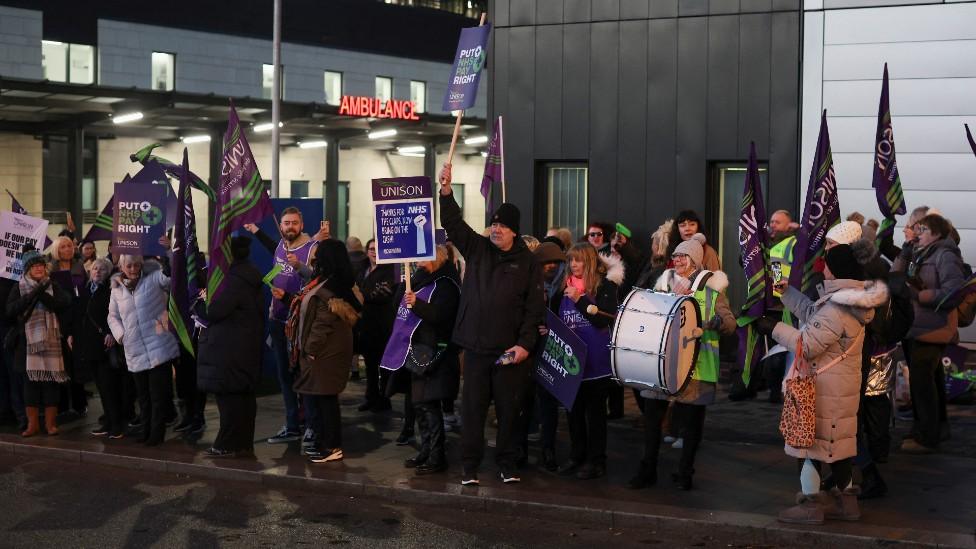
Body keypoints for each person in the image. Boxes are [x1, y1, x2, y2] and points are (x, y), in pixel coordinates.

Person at [754, 244, 888, 524]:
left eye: (826, 263)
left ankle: (810, 506)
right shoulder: (849, 300)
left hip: (824, 389)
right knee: (837, 447)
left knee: (807, 447)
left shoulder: (837, 306)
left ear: (836, 269)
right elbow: (814, 315)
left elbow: (807, 344)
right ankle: (847, 504)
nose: (822, 267)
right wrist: (786, 292)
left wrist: (773, 328)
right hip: (841, 387)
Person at [439, 163, 545, 486]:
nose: (495, 229)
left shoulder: (528, 263)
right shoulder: (478, 248)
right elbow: (454, 225)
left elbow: (534, 308)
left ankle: (507, 464)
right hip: (474, 347)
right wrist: (446, 191)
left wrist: (525, 345)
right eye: (493, 224)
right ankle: (469, 467)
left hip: (508, 352)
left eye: (502, 226)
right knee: (472, 411)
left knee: (509, 412)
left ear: (515, 231)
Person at [630, 234, 736, 490]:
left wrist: (709, 324)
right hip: (662, 363)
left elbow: (730, 324)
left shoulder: (712, 289)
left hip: (698, 365)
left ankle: (684, 472)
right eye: (675, 255)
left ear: (696, 261)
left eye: (683, 256)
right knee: (653, 418)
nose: (677, 260)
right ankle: (647, 469)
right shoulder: (662, 283)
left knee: (691, 424)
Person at [244, 209, 325, 445]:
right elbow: (274, 252)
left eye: (294, 223)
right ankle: (292, 425)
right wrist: (256, 230)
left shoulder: (311, 248)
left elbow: (318, 277)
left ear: (301, 224)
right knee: (284, 377)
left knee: (303, 376)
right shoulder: (281, 244)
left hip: (300, 321)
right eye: (286, 223)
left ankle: (311, 425)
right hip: (277, 320)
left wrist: (299, 265)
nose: (290, 227)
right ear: (280, 225)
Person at [891, 213, 965, 453]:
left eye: (922, 229)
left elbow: (953, 291)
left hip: (933, 327)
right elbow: (896, 275)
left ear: (937, 233)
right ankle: (930, 427)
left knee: (923, 382)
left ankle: (927, 436)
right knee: (929, 380)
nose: (917, 232)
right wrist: (905, 249)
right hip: (917, 326)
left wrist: (920, 295)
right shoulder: (920, 252)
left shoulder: (945, 255)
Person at [389, 245, 461, 475]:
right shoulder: (421, 279)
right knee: (418, 403)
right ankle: (425, 450)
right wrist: (406, 285)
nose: (419, 263)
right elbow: (397, 306)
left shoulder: (447, 284)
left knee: (430, 403)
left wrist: (417, 303)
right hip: (418, 348)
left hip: (435, 350)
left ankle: (437, 456)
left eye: (423, 259)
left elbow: (441, 316)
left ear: (437, 260)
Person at [288, 240, 361, 464]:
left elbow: (323, 320)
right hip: (322, 350)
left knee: (327, 399)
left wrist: (310, 350)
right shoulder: (325, 281)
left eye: (318, 255)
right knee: (321, 399)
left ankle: (332, 446)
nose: (314, 259)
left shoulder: (334, 286)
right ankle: (324, 443)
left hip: (325, 352)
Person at [554, 243, 622, 480]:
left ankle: (596, 461)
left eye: (578, 260)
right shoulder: (563, 288)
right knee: (573, 414)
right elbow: (555, 319)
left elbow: (603, 320)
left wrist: (581, 299)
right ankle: (577, 456)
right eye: (571, 260)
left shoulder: (605, 286)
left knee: (595, 416)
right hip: (572, 362)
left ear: (590, 262)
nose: (573, 265)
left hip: (597, 363)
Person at [197, 236, 264, 458]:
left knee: (229, 399)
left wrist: (200, 301)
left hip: (229, 348)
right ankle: (243, 442)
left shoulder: (233, 280)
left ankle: (227, 443)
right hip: (244, 346)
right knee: (243, 398)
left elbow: (215, 311)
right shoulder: (248, 275)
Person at [107, 255, 180, 446]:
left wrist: (167, 255)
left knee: (158, 396)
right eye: (129, 265)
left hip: (159, 346)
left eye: (136, 265)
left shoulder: (154, 277)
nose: (133, 269)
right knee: (143, 397)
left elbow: (171, 278)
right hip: (134, 349)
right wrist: (121, 335)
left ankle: (156, 434)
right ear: (121, 266)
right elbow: (112, 316)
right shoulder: (116, 290)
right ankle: (146, 431)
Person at [6, 250, 72, 436]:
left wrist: (42, 294)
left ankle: (51, 425)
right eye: (34, 266)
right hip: (28, 344)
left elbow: (64, 303)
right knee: (30, 385)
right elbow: (10, 310)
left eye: (41, 265)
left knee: (51, 383)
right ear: (28, 269)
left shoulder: (52, 285)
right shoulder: (19, 287)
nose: (38, 268)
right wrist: (33, 294)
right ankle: (32, 425)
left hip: (51, 342)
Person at [75, 258, 126, 438]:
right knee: (101, 387)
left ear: (108, 273)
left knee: (110, 386)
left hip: (105, 345)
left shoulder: (110, 290)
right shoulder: (86, 290)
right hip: (90, 345)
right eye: (95, 268)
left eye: (102, 270)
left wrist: (112, 333)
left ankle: (117, 425)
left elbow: (116, 314)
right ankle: (107, 421)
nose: (97, 271)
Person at [48, 235, 88, 417]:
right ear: (57, 250)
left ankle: (80, 403)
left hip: (79, 318)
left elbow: (86, 289)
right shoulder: (51, 270)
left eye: (70, 246)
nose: (68, 249)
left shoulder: (80, 267)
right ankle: (62, 404)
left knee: (77, 362)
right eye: (63, 246)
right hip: (60, 319)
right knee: (61, 363)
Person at [355, 238, 397, 413]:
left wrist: (360, 295)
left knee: (383, 365)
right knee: (370, 365)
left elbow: (384, 293)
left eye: (377, 249)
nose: (374, 251)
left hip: (382, 323)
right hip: (365, 323)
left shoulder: (390, 269)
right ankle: (370, 398)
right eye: (371, 248)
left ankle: (384, 399)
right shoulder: (362, 268)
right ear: (366, 251)